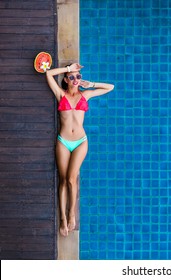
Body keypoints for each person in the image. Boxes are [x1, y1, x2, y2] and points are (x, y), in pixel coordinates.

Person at [46, 63, 114, 237]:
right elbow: (49, 74)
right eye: (72, 77)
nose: (75, 79)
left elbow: (110, 87)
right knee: (63, 180)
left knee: (71, 178)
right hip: (63, 142)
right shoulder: (60, 94)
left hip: (80, 142)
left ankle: (71, 214)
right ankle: (62, 218)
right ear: (66, 80)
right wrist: (68, 69)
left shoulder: (86, 95)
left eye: (78, 76)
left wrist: (90, 84)